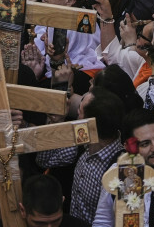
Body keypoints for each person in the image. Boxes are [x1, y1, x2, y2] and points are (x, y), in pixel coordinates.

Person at [35, 89, 124, 224]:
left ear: (90, 124)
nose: (76, 112)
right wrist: (56, 123)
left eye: (80, 111)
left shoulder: (122, 169)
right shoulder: (82, 143)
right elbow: (44, 161)